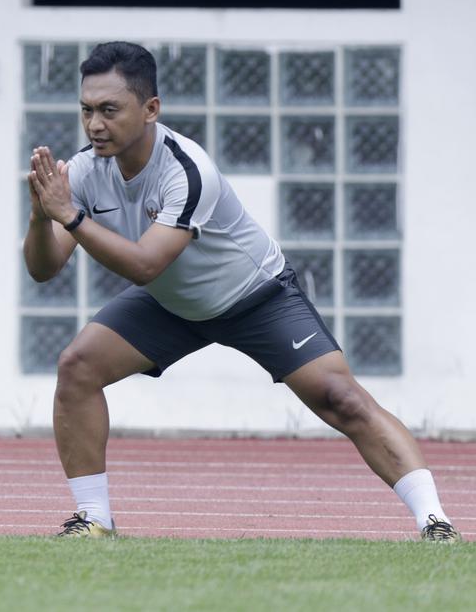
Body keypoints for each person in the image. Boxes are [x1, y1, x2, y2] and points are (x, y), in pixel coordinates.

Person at [24, 41, 460, 542]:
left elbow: (144, 265)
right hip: (173, 303)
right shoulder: (82, 172)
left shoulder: (187, 170)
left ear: (151, 110)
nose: (95, 124)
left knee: (341, 398)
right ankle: (94, 521)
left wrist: (70, 217)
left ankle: (436, 522)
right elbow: (44, 268)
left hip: (257, 298)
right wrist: (41, 218)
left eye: (109, 110)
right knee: (77, 367)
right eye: (86, 110)